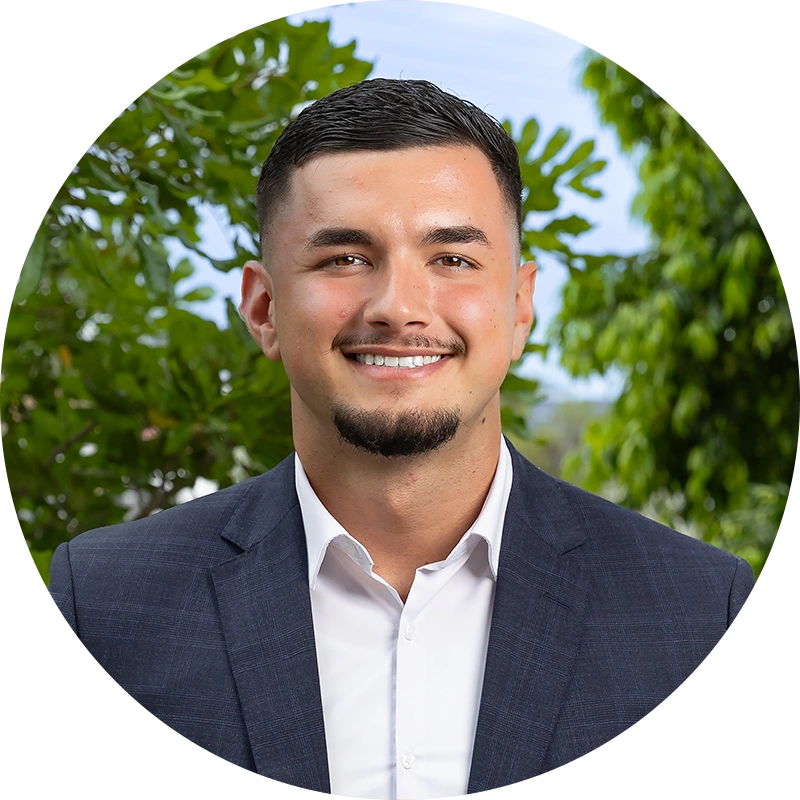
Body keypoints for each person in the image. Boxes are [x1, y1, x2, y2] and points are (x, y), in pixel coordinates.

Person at [47, 78, 754, 797]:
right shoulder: (103, 605)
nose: (398, 308)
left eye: (452, 259)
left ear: (519, 308)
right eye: (344, 259)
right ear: (262, 309)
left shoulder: (701, 613)